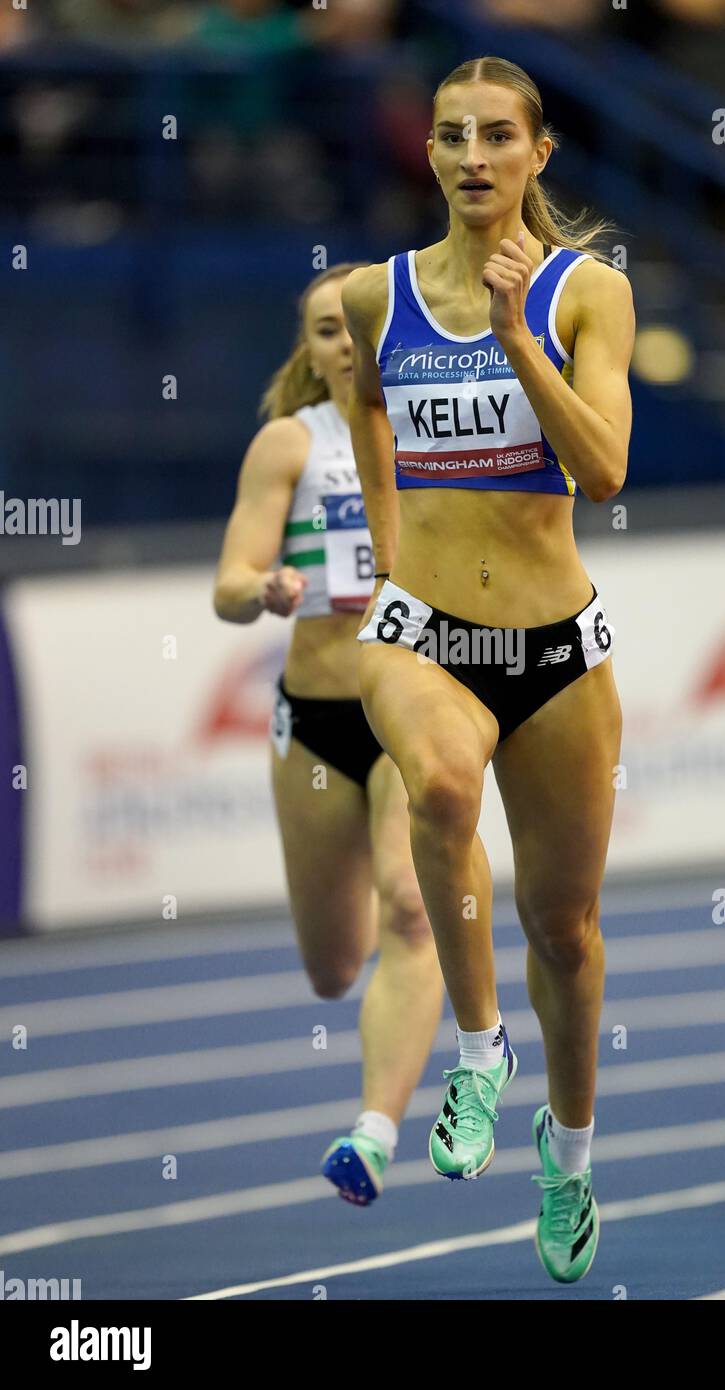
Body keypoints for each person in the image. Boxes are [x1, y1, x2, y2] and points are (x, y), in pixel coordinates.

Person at [342, 55, 634, 1283]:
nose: (474, 157)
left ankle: (566, 1161)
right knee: (444, 792)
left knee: (564, 933)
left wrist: (518, 337)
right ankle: (475, 1053)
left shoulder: (587, 293)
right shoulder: (373, 295)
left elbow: (607, 468)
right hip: (424, 638)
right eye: (453, 136)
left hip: (556, 649)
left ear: (538, 155)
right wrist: (385, 553)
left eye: (498, 138)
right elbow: (363, 408)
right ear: (430, 155)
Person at [213, 265, 443, 1206]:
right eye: (324, 330)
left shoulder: (432, 435)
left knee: (411, 904)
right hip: (314, 724)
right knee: (333, 965)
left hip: (411, 710)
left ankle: (375, 1133)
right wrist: (259, 592)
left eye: (356, 326)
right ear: (306, 350)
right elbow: (228, 579)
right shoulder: (289, 445)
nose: (345, 344)